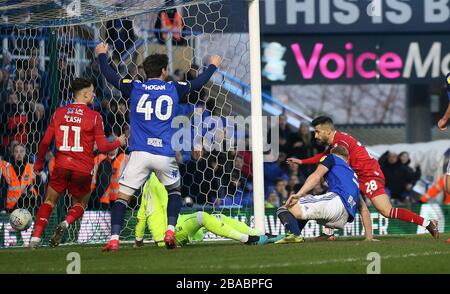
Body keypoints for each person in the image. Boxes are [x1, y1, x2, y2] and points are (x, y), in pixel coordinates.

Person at [95, 42, 222, 251]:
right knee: (174, 191)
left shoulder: (135, 87)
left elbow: (111, 76)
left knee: (122, 198)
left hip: (139, 153)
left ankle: (114, 239)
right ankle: (170, 231)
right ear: (164, 72)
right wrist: (213, 66)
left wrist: (102, 55)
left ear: (146, 72)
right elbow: (198, 83)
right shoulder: (174, 88)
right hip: (164, 153)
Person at [287, 116, 439, 239]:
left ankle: (427, 223)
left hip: (369, 174)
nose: (315, 135)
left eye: (318, 132)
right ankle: (339, 235)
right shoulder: (336, 143)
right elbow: (325, 156)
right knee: (349, 199)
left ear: (327, 131)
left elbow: (334, 159)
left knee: (386, 211)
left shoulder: (341, 143)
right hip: (358, 176)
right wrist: (302, 161)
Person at [30, 78, 126, 248]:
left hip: (61, 164)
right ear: (86, 94)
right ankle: (66, 223)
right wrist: (119, 141)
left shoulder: (59, 112)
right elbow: (103, 147)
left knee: (49, 201)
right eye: (93, 91)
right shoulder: (95, 117)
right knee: (80, 203)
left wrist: (38, 164)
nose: (95, 94)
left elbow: (45, 142)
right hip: (82, 168)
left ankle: (35, 238)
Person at [134, 173, 270, 247]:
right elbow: (167, 207)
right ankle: (247, 239)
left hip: (167, 235)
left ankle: (260, 235)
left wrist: (138, 240)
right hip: (170, 234)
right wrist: (169, 235)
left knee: (218, 217)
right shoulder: (159, 181)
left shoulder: (147, 185)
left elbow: (141, 215)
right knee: (202, 216)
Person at [276, 146, 373, 243]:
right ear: (347, 160)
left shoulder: (331, 157)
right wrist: (369, 238)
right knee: (310, 199)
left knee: (285, 208)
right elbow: (364, 209)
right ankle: (324, 233)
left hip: (336, 203)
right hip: (343, 219)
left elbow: (316, 175)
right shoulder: (352, 177)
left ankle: (295, 234)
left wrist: (298, 194)